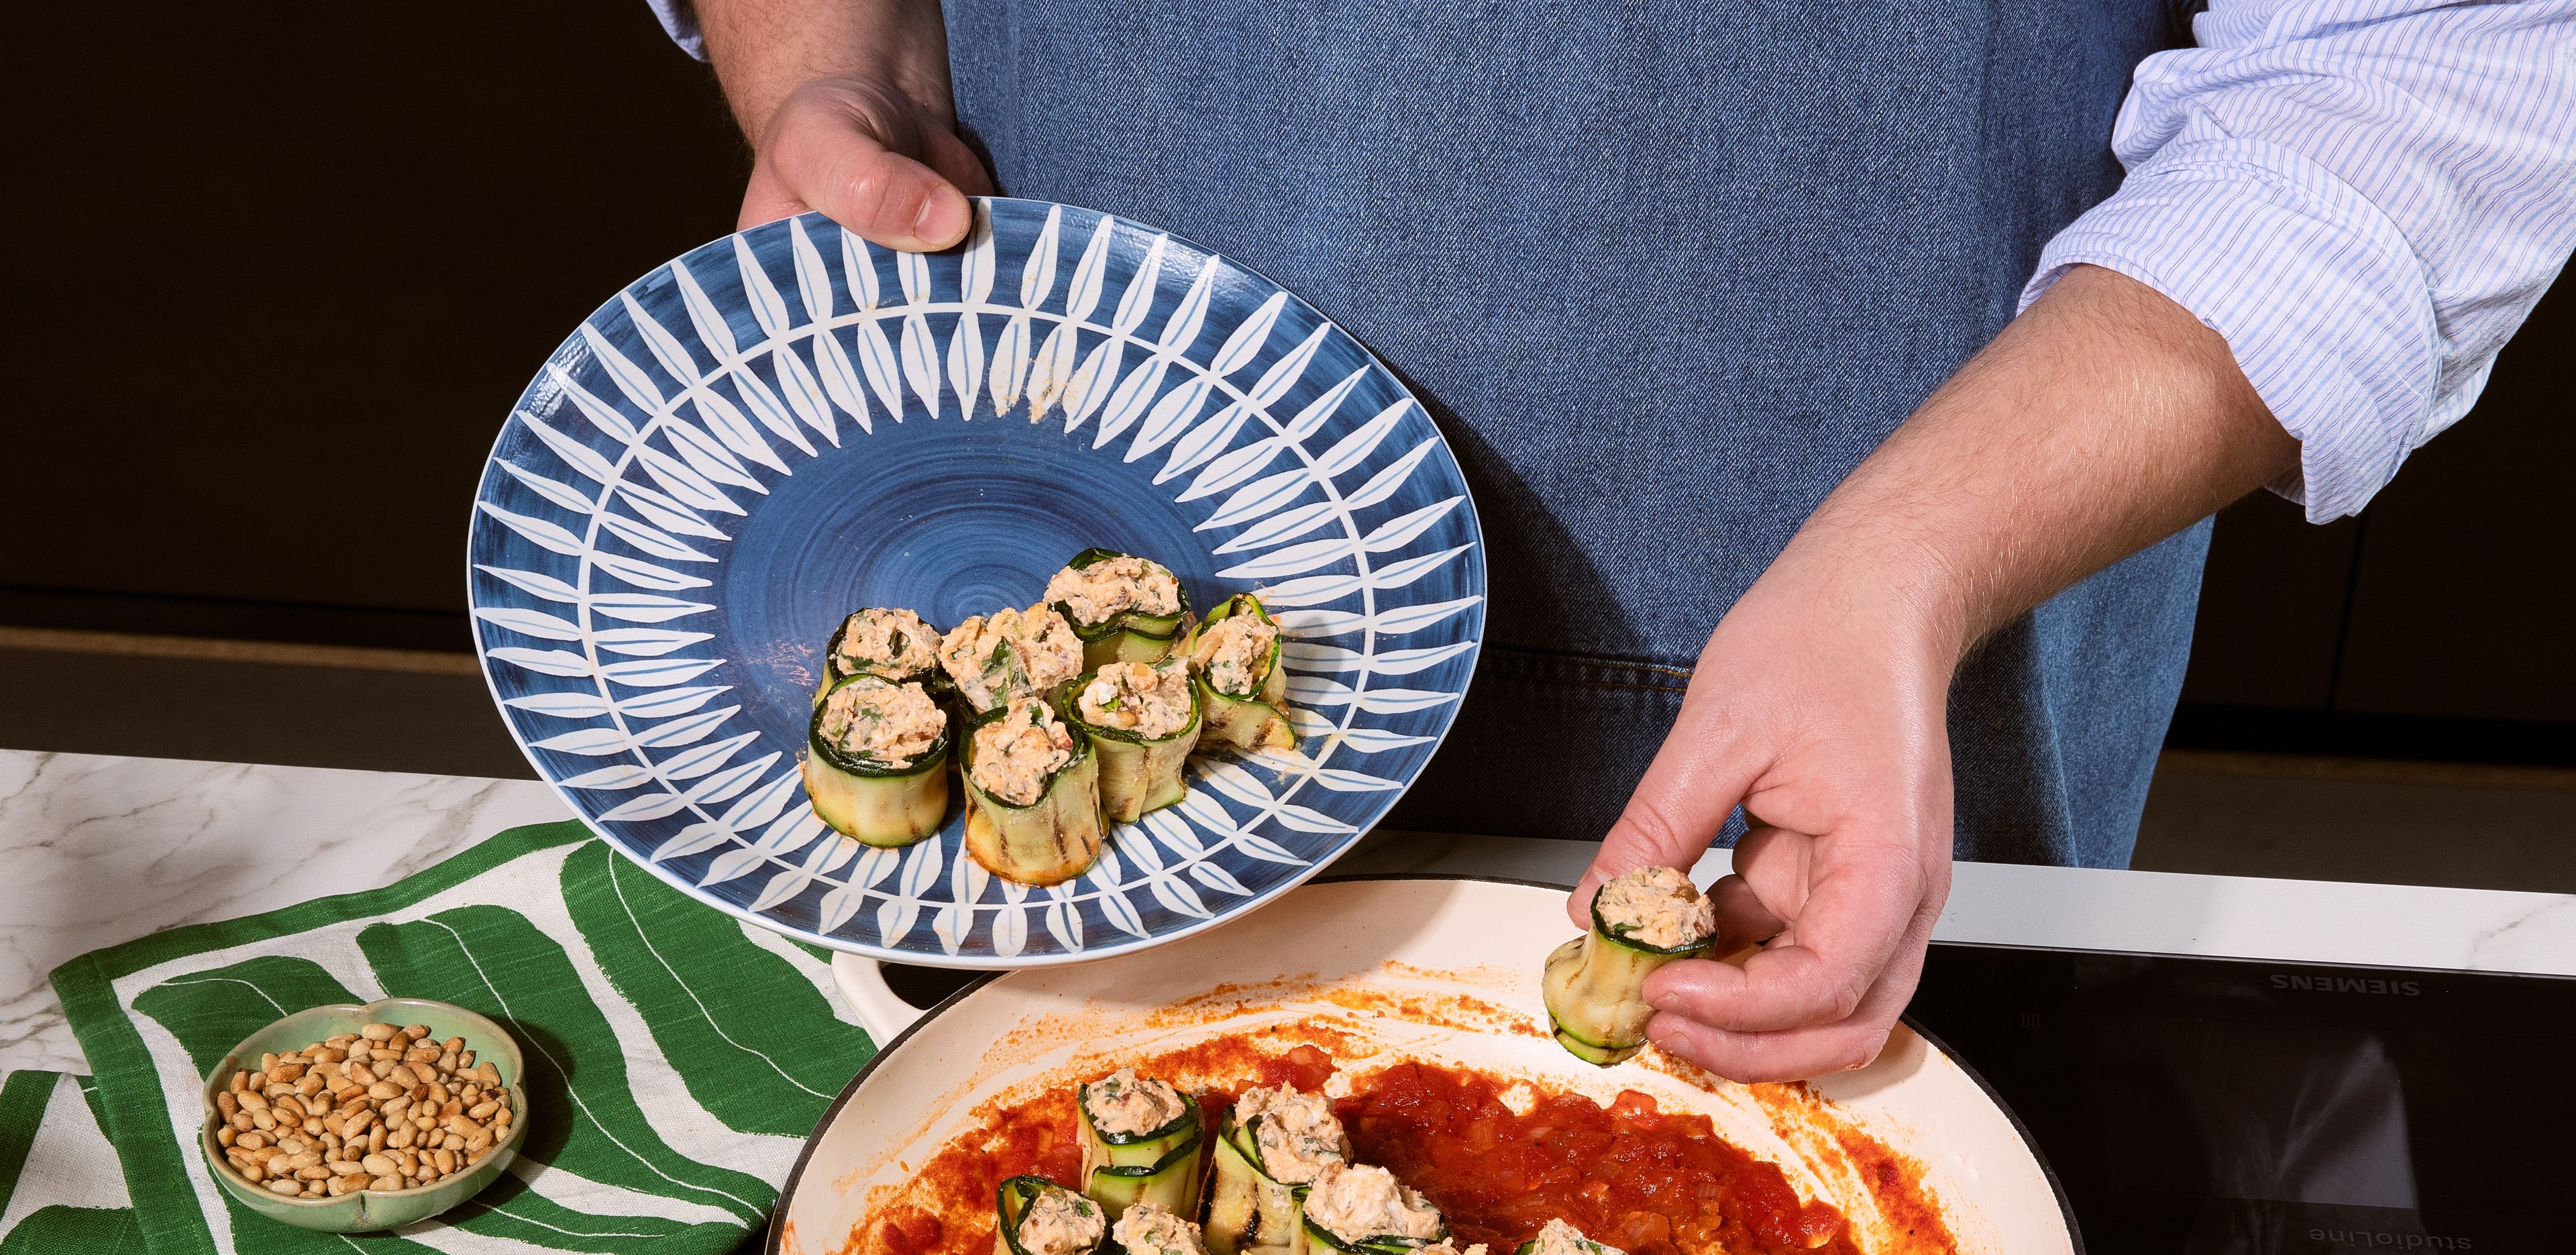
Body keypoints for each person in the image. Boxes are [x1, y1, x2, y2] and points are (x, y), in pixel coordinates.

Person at [652, 0, 2576, 1079]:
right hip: (1043, 627)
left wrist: (1908, 565)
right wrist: (835, 64)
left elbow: (2425, 75)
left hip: (1862, 698)